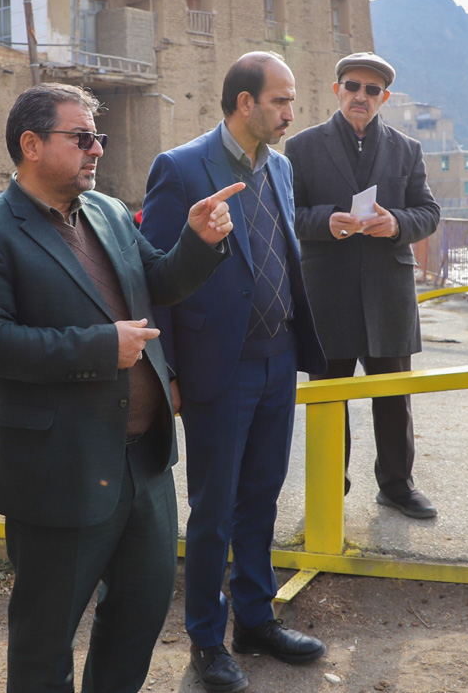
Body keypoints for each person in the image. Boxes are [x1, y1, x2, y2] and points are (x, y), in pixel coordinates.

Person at [0, 82, 239, 693]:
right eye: (81, 137)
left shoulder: (106, 211)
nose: (97, 149)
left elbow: (156, 279)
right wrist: (101, 348)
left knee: (140, 615)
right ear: (31, 144)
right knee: (46, 637)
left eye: (97, 137)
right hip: (60, 469)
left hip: (144, 465)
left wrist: (198, 242)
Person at [141, 51, 328, 693]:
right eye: (280, 100)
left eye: (291, 99)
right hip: (218, 368)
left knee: (262, 496)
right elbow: (157, 276)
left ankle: (254, 618)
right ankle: (205, 639)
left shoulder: (280, 166)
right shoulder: (181, 167)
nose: (290, 112)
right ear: (245, 103)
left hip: (280, 359)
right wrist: (166, 369)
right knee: (213, 509)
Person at [285, 52, 441, 519]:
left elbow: (428, 212)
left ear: (384, 98)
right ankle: (330, 484)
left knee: (393, 396)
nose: (361, 96)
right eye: (353, 86)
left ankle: (397, 486)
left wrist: (396, 224)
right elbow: (287, 213)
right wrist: (325, 221)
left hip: (388, 293)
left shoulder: (407, 149)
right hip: (327, 292)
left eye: (372, 90)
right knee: (329, 395)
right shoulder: (301, 147)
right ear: (337, 90)